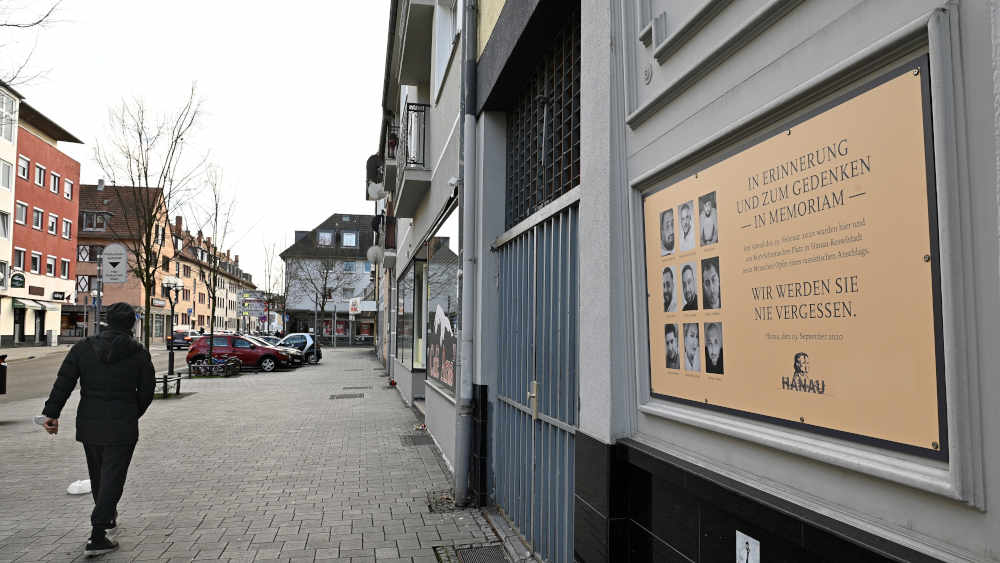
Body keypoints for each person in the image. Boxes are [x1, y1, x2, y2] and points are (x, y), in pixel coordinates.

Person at [40, 302, 155, 557]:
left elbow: (64, 382)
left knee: (99, 474)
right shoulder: (138, 352)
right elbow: (147, 390)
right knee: (113, 477)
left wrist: (52, 413)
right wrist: (131, 411)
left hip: (90, 422)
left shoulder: (83, 348)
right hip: (122, 425)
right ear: (131, 324)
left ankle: (106, 518)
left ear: (106, 321)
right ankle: (98, 533)